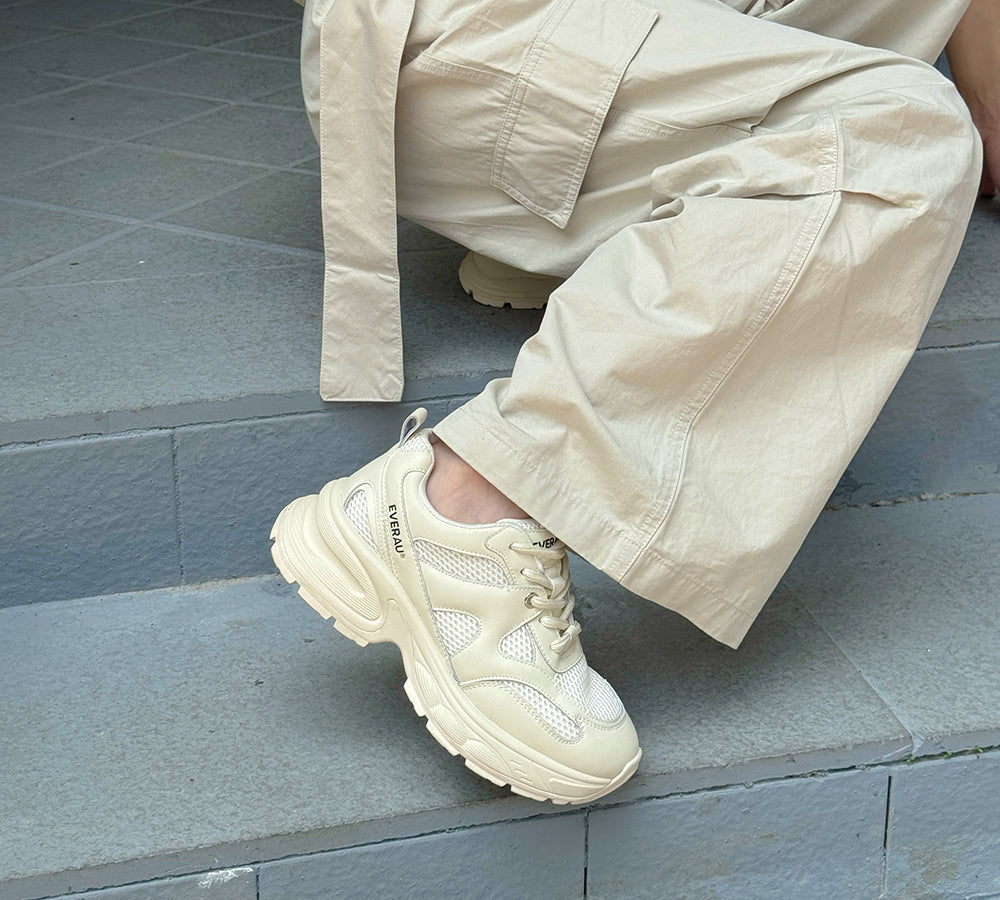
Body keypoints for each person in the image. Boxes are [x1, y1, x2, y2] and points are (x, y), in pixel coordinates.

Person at [271, 0, 997, 804]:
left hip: (594, 79)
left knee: (917, 122)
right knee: (904, 128)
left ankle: (607, 238)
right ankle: (470, 500)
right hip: (485, 58)